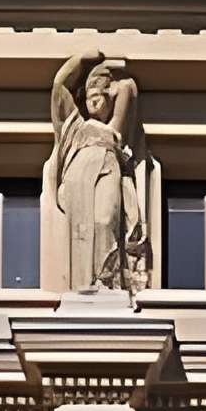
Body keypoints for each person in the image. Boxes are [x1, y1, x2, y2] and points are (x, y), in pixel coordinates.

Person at [51, 50, 147, 290]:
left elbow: (127, 87)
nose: (92, 102)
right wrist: (80, 60)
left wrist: (108, 77)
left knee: (105, 221)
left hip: (107, 169)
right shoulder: (75, 126)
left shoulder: (114, 129)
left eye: (99, 97)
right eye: (88, 97)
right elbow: (58, 87)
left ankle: (106, 280)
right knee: (82, 231)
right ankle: (85, 284)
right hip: (80, 177)